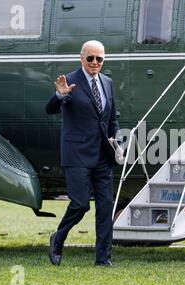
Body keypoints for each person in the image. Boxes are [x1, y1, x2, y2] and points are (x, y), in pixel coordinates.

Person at [46, 40, 121, 267]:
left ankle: (103, 259)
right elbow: (50, 109)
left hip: (102, 155)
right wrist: (59, 96)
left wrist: (116, 138)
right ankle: (58, 238)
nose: (95, 62)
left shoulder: (107, 82)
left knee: (106, 207)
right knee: (80, 204)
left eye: (99, 58)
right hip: (77, 153)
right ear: (82, 59)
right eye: (90, 58)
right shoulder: (69, 81)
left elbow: (111, 118)